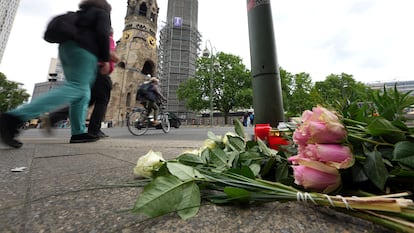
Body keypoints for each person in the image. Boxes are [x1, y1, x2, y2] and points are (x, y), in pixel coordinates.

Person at [0, 0, 112, 148]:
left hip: (66, 50)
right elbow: (103, 33)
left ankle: (78, 133)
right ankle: (13, 117)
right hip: (84, 51)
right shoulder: (101, 13)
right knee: (77, 87)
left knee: (83, 93)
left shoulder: (80, 15)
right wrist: (104, 59)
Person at [43, 27, 119, 138]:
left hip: (89, 72)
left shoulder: (94, 39)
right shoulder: (108, 39)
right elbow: (108, 53)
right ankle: (94, 130)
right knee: (102, 100)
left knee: (85, 101)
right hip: (100, 71)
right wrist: (116, 59)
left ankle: (52, 118)